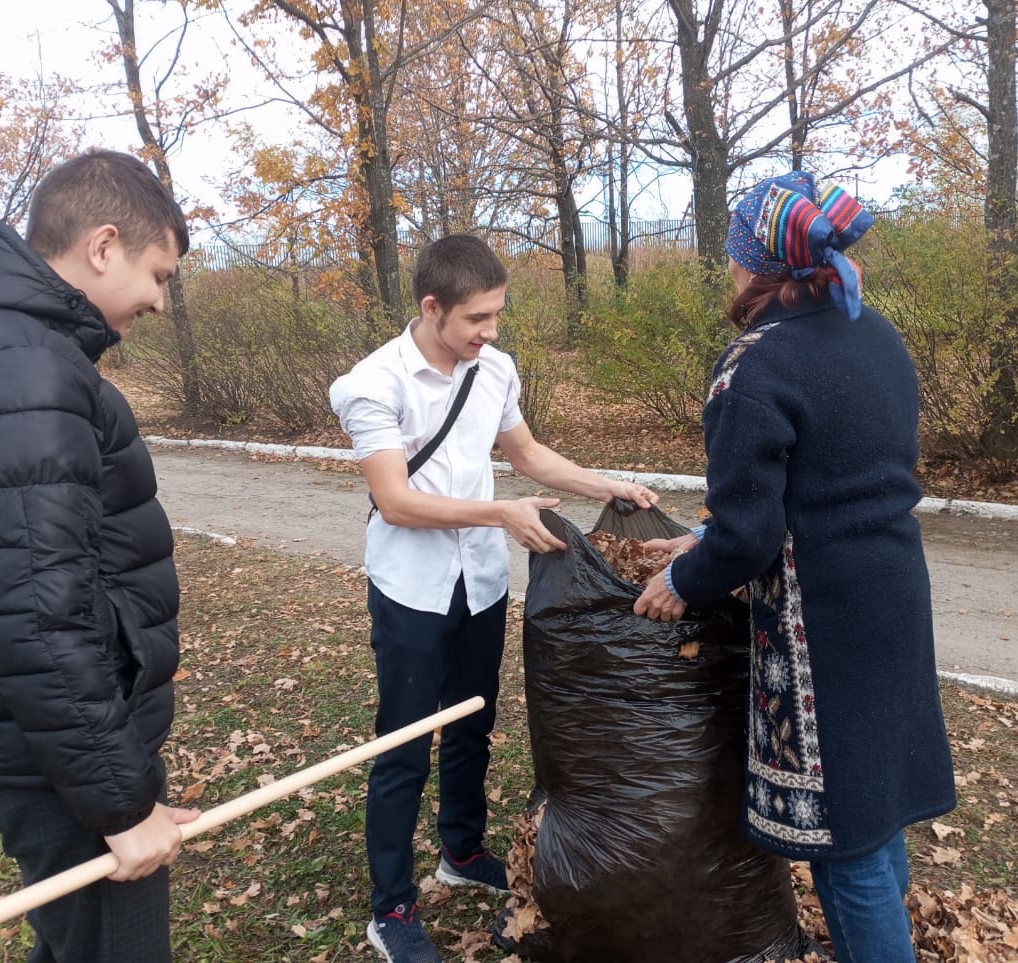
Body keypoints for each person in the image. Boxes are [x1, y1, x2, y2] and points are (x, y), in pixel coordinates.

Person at [634, 171, 956, 962]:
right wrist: (706, 537)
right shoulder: (874, 332)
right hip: (892, 596)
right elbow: (813, 485)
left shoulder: (754, 365)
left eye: (735, 257)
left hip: (826, 629)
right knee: (874, 810)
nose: (731, 272)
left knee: (845, 848)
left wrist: (683, 580)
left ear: (756, 266)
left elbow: (751, 537)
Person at [330, 234, 659, 963]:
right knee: (406, 743)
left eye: (498, 315)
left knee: (473, 723)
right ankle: (390, 907)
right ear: (432, 308)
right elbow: (395, 499)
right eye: (478, 317)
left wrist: (612, 486)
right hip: (410, 588)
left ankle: (462, 850)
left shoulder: (496, 369)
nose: (491, 331)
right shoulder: (373, 384)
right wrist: (502, 513)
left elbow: (527, 454)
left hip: (479, 581)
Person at [0, 149, 200, 962]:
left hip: (31, 739)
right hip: (46, 754)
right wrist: (122, 803)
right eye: (157, 271)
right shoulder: (19, 365)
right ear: (103, 246)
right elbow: (36, 615)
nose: (158, 297)